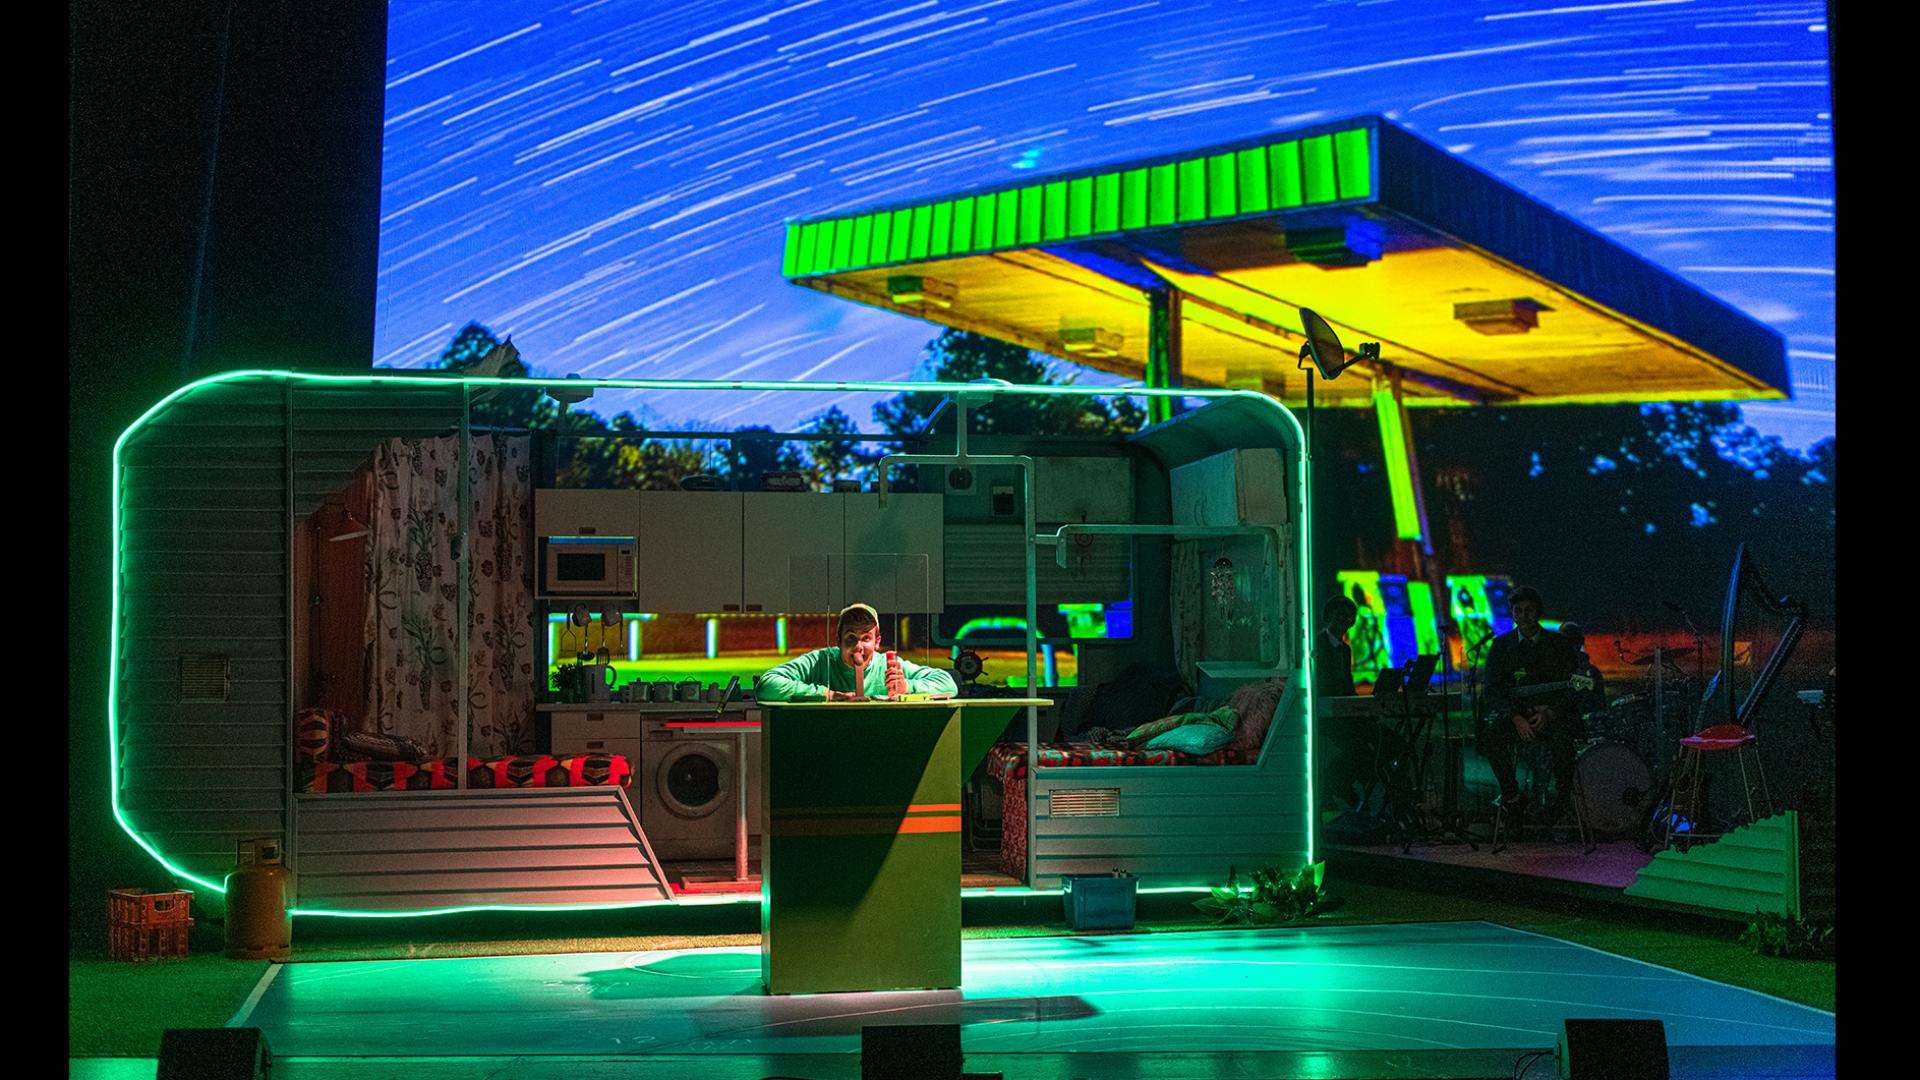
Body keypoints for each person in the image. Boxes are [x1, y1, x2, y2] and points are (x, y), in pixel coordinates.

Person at [1478, 585, 1583, 822]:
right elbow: (1492, 690)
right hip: (1518, 717)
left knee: (1563, 744)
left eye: (1529, 610)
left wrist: (1551, 713)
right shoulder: (1501, 646)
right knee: (1490, 738)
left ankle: (1561, 803)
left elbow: (1579, 686)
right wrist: (1516, 717)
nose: (1523, 616)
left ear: (1538, 612)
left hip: (1554, 718)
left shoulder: (1560, 644)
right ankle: (1512, 795)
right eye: (1518, 611)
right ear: (1512, 613)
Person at [756, 603, 957, 702]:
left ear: (877, 642)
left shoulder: (887, 665)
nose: (858, 646)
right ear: (838, 641)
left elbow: (948, 684)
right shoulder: (820, 661)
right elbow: (767, 685)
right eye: (851, 637)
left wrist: (907, 687)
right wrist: (826, 694)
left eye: (866, 638)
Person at [1556, 620, 1609, 727]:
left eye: (1572, 642)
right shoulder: (1554, 667)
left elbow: (1597, 705)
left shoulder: (1591, 672)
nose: (1570, 647)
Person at [1315, 596, 1359, 698]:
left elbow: (1347, 683)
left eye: (1349, 616)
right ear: (1330, 615)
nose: (1345, 619)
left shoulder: (1346, 650)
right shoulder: (1316, 644)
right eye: (1341, 614)